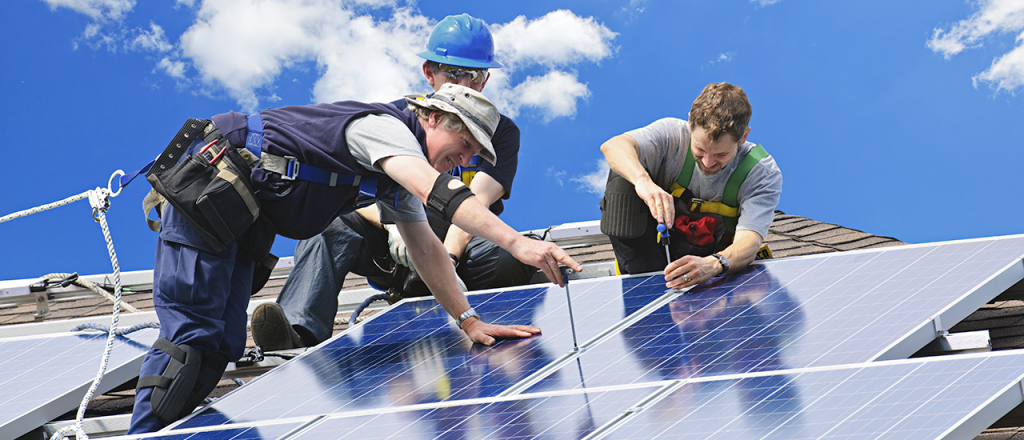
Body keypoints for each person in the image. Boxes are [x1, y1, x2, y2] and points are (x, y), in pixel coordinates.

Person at [128, 83, 581, 433]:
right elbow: (434, 189)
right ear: (434, 117)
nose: (460, 162)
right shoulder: (382, 130)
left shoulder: (394, 178)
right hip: (209, 187)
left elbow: (425, 247)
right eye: (462, 149)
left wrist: (468, 320)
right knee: (192, 338)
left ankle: (168, 432)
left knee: (223, 345)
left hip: (239, 218)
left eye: (469, 159)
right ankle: (143, 436)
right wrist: (519, 244)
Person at [251, 13, 535, 352]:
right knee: (329, 226)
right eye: (453, 73)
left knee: (511, 255)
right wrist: (392, 226)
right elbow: (363, 188)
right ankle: (298, 333)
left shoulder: (498, 133)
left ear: (485, 80)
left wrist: (448, 258)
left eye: (473, 75)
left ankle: (484, 317)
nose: (464, 84)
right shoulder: (398, 121)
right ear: (430, 74)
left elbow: (476, 201)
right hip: (396, 248)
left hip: (458, 249)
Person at [599, 82, 782, 289]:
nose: (707, 163)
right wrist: (643, 182)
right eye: (700, 150)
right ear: (689, 124)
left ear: (744, 137)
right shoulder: (671, 136)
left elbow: (749, 241)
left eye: (721, 155)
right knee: (623, 175)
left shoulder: (760, 172)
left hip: (707, 262)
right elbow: (613, 146)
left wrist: (714, 264)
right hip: (646, 256)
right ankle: (645, 284)